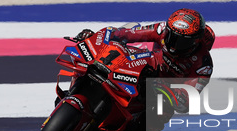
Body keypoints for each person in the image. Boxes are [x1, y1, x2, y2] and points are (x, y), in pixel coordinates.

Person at [75, 8, 215, 115]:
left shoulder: (203, 65)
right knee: (111, 53)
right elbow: (127, 34)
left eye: (183, 42)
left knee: (159, 115)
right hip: (147, 65)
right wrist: (97, 36)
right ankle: (76, 90)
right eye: (172, 36)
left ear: (195, 42)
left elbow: (189, 100)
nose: (174, 44)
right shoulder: (161, 29)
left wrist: (171, 93)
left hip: (164, 90)